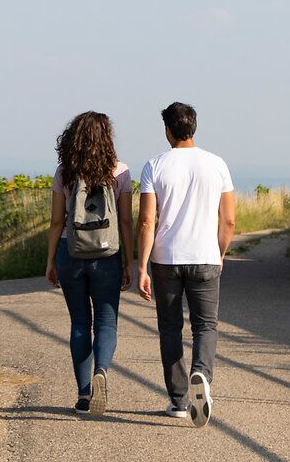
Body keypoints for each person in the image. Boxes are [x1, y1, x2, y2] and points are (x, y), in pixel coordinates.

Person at [135, 101, 236, 427]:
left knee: (170, 328)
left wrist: (141, 266)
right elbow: (229, 220)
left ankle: (179, 401)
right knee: (206, 325)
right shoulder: (217, 164)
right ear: (193, 127)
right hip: (205, 257)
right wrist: (220, 252)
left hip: (166, 259)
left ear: (168, 129)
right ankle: (201, 375)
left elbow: (147, 221)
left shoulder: (154, 166)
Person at [45, 110, 136, 416]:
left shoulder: (64, 172)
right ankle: (103, 371)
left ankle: (84, 396)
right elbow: (125, 220)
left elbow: (57, 221)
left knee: (80, 323)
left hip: (70, 253)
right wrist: (129, 262)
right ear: (106, 138)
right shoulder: (120, 172)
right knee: (106, 322)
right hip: (107, 255)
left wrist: (50, 261)